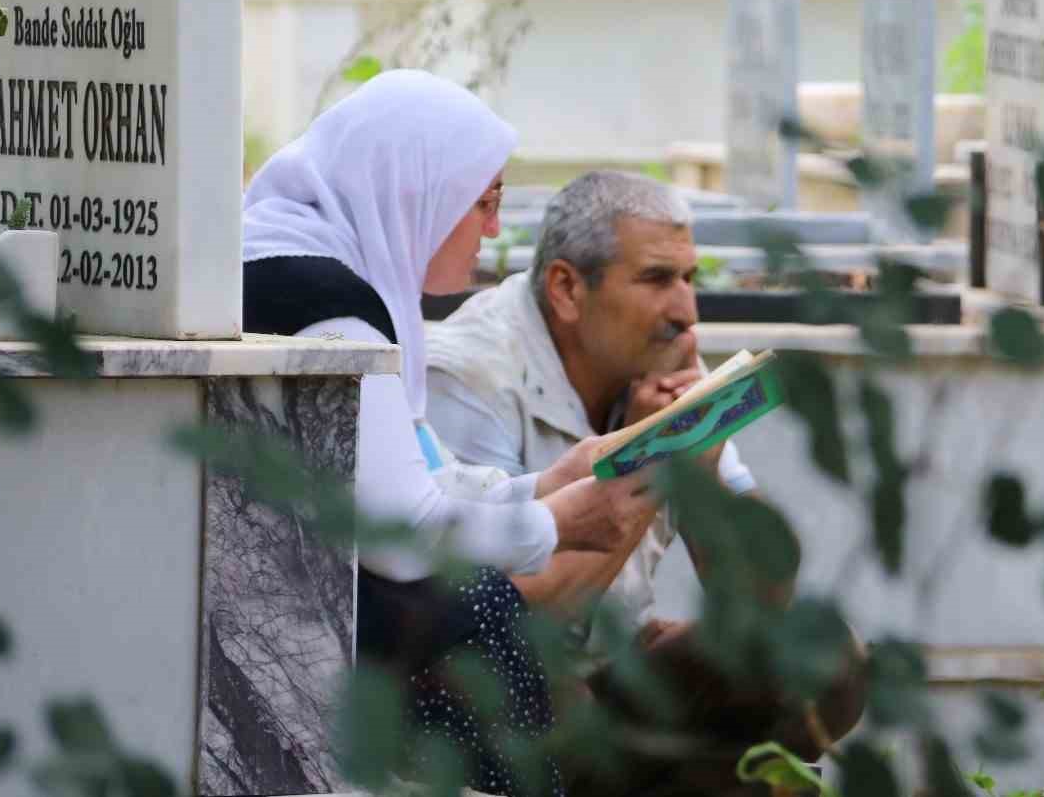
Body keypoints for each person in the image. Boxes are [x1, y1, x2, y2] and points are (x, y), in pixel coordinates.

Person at [241, 72, 654, 797]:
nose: (492, 230)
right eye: (483, 202)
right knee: (485, 611)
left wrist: (543, 484)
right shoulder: (329, 306)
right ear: (413, 191)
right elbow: (402, 538)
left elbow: (399, 479)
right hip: (292, 636)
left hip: (272, 609)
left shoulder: (283, 259)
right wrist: (558, 522)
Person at [426, 170, 865, 795]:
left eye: (690, 278)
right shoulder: (468, 376)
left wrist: (703, 477)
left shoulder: (661, 353)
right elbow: (501, 623)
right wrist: (651, 465)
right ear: (567, 289)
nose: (686, 311)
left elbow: (762, 598)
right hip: (496, 695)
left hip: (611, 666)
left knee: (826, 662)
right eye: (658, 279)